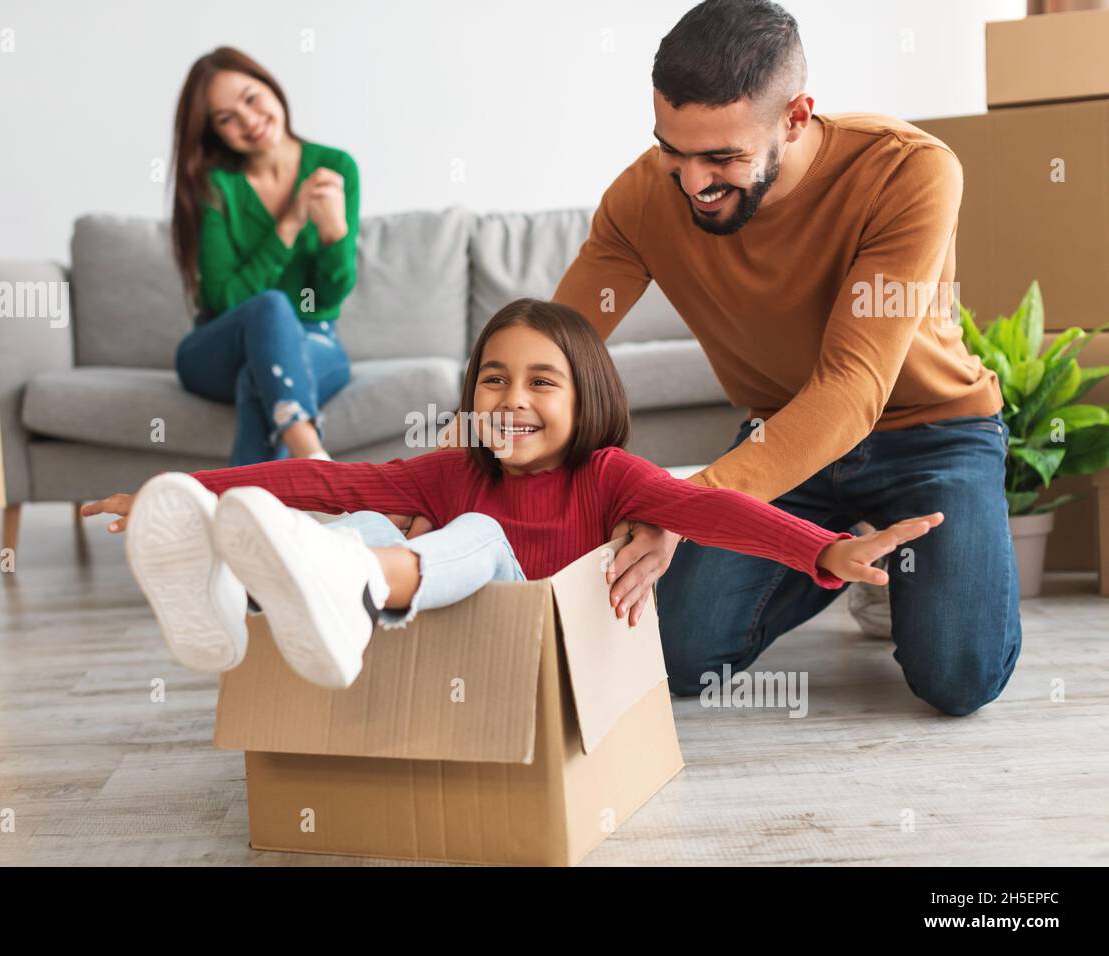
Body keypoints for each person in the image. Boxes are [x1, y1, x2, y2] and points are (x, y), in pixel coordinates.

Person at [546, 0, 1017, 716]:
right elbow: (556, 348)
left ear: (796, 118)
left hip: (933, 432)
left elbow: (852, 388)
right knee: (678, 657)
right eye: (673, 148)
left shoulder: (909, 171)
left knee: (958, 677)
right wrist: (464, 468)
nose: (694, 183)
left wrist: (685, 508)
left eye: (724, 157)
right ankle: (828, 552)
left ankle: (891, 572)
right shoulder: (645, 197)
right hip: (782, 438)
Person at [83, 299, 942, 689]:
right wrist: (185, 486)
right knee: (366, 510)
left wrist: (821, 550)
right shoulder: (451, 466)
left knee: (481, 539)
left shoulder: (609, 478)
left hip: (541, 668)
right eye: (493, 380)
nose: (511, 400)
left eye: (541, 382)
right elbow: (321, 474)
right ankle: (231, 592)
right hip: (429, 637)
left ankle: (346, 581)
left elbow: (710, 510)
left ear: (588, 400)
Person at [169, 47, 358, 465]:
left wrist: (333, 234)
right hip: (219, 345)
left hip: (314, 338)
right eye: (226, 118)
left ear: (271, 87)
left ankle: (244, 522)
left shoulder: (335, 166)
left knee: (258, 377)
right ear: (214, 132)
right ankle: (317, 464)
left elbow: (328, 298)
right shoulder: (217, 188)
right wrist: (289, 224)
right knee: (270, 306)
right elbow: (225, 298)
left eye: (251, 98)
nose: (248, 121)